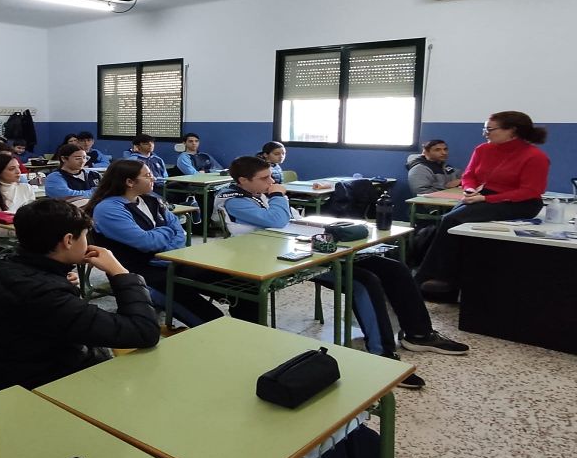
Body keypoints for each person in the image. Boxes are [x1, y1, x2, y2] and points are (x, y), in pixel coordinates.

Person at [219, 156, 469, 388]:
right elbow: (275, 220)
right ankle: (382, 354)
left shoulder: (259, 192)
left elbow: (289, 219)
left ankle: (419, 334)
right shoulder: (233, 198)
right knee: (364, 281)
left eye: (271, 177)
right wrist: (278, 195)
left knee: (395, 269)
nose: (270, 182)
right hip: (279, 262)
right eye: (264, 178)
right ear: (243, 181)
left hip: (302, 247)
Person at [0, 198, 159, 390]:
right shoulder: (48, 296)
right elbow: (144, 331)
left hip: (14, 370)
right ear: (68, 240)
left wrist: (55, 277)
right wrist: (120, 273)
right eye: (85, 236)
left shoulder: (1, 265)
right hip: (55, 384)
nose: (87, 242)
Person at [415, 111, 549, 300]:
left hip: (521, 203)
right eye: (485, 128)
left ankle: (435, 278)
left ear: (512, 131)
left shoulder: (535, 156)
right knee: (448, 220)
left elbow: (530, 191)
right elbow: (469, 175)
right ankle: (439, 277)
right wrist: (470, 189)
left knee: (451, 219)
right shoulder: (483, 150)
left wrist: (486, 199)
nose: (485, 133)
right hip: (484, 196)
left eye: (490, 129)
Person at [87, 160, 226, 327]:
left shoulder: (152, 200)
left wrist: (167, 246)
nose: (153, 178)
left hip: (171, 262)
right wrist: (166, 231)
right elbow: (146, 242)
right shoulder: (108, 209)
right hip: (141, 273)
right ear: (130, 182)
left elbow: (180, 232)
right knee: (212, 318)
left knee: (228, 282)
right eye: (147, 175)